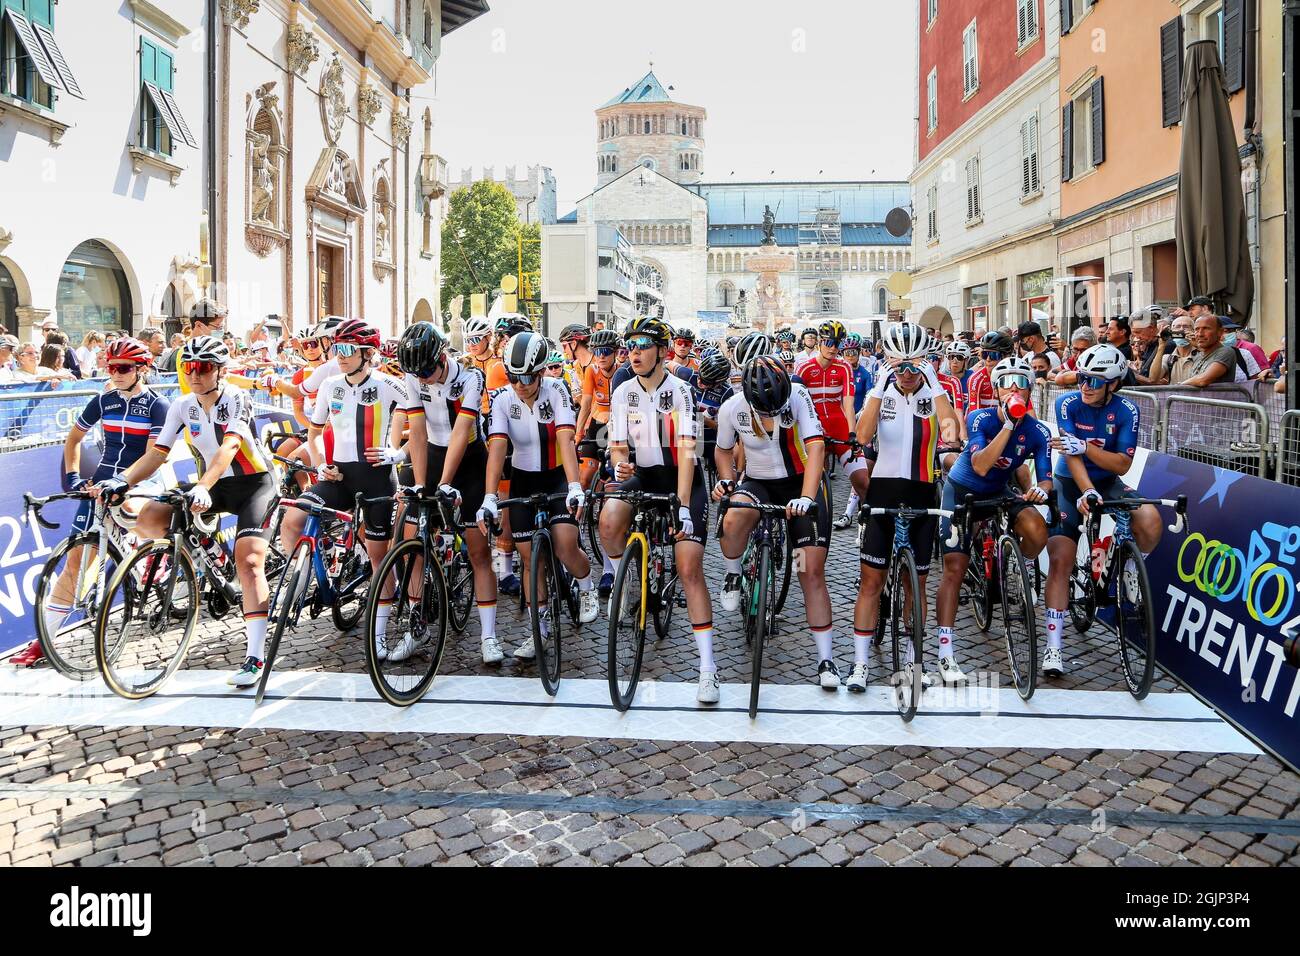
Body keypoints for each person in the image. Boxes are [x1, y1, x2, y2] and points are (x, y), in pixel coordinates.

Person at [97, 336, 277, 687]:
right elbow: (157, 453)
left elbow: (230, 447)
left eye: (203, 367)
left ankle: (255, 655)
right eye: (187, 367)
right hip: (210, 484)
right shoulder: (182, 404)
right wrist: (121, 480)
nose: (194, 374)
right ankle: (200, 555)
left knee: (250, 561)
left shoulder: (237, 398)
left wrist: (203, 486)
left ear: (220, 371)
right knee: (150, 517)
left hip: (253, 484)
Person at [8, 337, 171, 668]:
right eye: (111, 367)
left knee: (130, 510)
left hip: (141, 479)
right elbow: (74, 440)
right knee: (74, 564)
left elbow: (155, 456)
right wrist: (72, 477)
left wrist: (122, 483)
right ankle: (45, 643)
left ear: (141, 369)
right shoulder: (104, 400)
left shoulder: (158, 406)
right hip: (102, 482)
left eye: (123, 368)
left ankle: (149, 560)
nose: (116, 373)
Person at [279, 320, 424, 663]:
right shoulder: (330, 385)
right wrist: (320, 464)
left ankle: (379, 635)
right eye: (335, 349)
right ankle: (313, 573)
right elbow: (314, 433)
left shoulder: (391, 385)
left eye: (345, 350)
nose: (338, 356)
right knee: (293, 519)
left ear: (367, 353)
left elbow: (420, 430)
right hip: (337, 476)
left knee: (379, 559)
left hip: (376, 478)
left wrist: (398, 454)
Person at [599, 316, 716, 704]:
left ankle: (707, 668)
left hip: (684, 480)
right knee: (609, 518)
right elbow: (617, 446)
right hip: (645, 476)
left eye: (643, 345)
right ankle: (626, 576)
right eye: (630, 345)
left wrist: (682, 507)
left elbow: (687, 453)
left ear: (662, 352)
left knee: (688, 568)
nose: (634, 352)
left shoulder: (681, 391)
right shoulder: (622, 391)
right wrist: (620, 465)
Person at [713, 355, 838, 688]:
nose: (771, 416)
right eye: (763, 411)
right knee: (734, 514)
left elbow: (816, 449)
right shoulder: (733, 407)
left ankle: (825, 659)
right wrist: (726, 480)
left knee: (809, 571)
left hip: (800, 482)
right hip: (759, 481)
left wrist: (808, 498)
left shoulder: (798, 396)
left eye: (775, 410)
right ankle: (732, 573)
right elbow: (723, 450)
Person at [476, 331, 599, 661]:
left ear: (542, 371)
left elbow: (565, 439)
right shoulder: (503, 400)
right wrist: (490, 497)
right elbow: (498, 448)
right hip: (523, 481)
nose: (520, 384)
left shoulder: (556, 390)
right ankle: (539, 630)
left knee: (564, 543)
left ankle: (585, 585)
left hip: (557, 477)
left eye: (528, 376)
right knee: (530, 559)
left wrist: (575, 486)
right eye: (514, 376)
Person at [852, 323, 961, 689]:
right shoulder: (881, 393)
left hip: (921, 493)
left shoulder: (933, 392)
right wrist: (879, 389)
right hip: (883, 491)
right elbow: (863, 436)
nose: (909, 375)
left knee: (916, 585)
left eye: (916, 366)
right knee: (871, 582)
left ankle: (916, 662)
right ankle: (860, 664)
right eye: (901, 367)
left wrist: (936, 383)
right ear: (890, 365)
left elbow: (950, 431)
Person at [1043, 344, 1163, 677]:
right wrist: (1088, 488)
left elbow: (1122, 465)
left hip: (1109, 480)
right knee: (1061, 559)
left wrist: (1087, 448)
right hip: (1071, 481)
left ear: (1113, 384)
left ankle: (1127, 565)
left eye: (1095, 381)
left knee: (1150, 520)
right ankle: (1053, 649)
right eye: (1082, 377)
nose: (1085, 386)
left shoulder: (1127, 410)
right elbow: (1071, 456)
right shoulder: (1065, 403)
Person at [935, 357, 1052, 684]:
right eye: (1006, 384)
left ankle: (1021, 566)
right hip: (963, 492)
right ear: (997, 391)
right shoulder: (979, 418)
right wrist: (1008, 426)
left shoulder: (1038, 431)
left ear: (1030, 390)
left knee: (1036, 529)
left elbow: (1045, 478)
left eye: (1020, 383)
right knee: (955, 568)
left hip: (1000, 492)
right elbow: (983, 464)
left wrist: (1041, 491)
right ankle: (946, 652)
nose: (1013, 389)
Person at [397, 322, 503, 664]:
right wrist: (419, 483)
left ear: (442, 357)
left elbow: (460, 433)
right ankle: (417, 625)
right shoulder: (414, 377)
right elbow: (416, 429)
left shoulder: (470, 378)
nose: (423, 377)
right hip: (432, 452)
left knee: (478, 552)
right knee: (409, 543)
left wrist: (444, 483)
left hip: (470, 459)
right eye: (417, 372)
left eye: (428, 369)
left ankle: (488, 636)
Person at [796, 321, 870, 534]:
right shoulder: (805, 367)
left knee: (863, 481)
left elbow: (848, 403)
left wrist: (852, 433)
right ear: (819, 342)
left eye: (837, 343)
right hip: (813, 426)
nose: (833, 348)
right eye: (828, 342)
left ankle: (872, 525)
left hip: (838, 425)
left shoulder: (844, 367)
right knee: (816, 476)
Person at [1183, 315, 1238, 387]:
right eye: (1197, 329)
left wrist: (1179, 385)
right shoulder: (1198, 355)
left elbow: (1202, 380)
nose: (1200, 334)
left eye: (1206, 328)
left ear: (1220, 332)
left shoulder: (1226, 352)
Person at [965, 329, 1013, 411]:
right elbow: (974, 414)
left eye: (993, 355)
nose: (988, 359)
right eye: (985, 354)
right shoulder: (976, 379)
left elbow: (1030, 413)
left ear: (1006, 356)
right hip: (982, 420)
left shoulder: (1015, 376)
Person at [1163, 314, 1198, 385]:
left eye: (1186, 327)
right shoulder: (1168, 358)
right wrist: (1161, 346)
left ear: (1194, 331)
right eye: (1178, 326)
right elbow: (1153, 378)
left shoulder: (1201, 354)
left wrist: (1197, 344)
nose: (1181, 330)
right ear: (1171, 331)